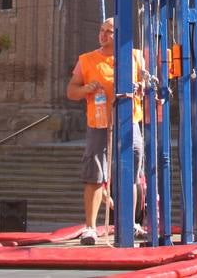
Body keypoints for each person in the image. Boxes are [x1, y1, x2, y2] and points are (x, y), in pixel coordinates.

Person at [65, 17, 146, 245]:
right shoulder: (87, 60)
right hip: (99, 122)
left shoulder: (135, 56)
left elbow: (147, 84)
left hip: (129, 121)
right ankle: (90, 227)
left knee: (132, 172)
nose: (103, 35)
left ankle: (129, 222)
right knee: (94, 173)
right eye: (101, 30)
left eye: (108, 31)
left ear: (119, 34)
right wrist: (85, 89)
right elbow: (71, 91)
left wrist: (140, 87)